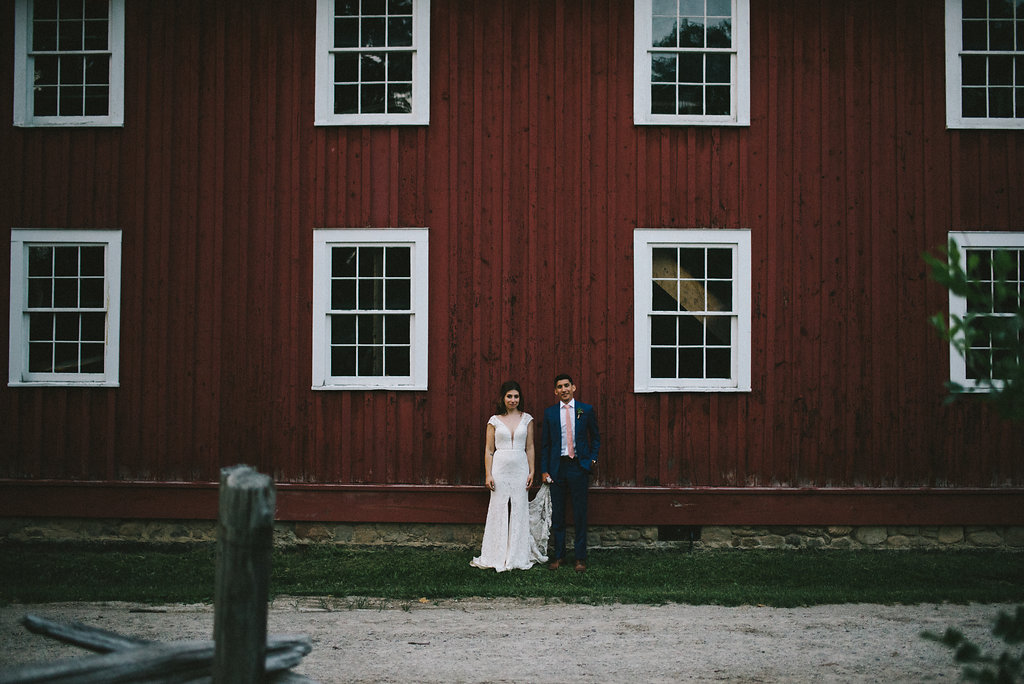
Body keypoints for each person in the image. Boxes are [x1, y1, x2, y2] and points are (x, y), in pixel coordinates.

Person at [471, 381, 549, 571]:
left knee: (519, 508)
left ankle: (517, 555)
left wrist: (532, 471)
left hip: (520, 467)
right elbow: (489, 450)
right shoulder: (494, 421)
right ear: (503, 398)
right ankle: (495, 554)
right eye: (509, 396)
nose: (513, 400)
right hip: (500, 468)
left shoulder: (527, 419)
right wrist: (488, 474)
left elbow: (530, 446)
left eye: (516, 397)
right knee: (498, 508)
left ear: (519, 398)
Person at [540, 373, 600, 572]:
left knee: (580, 513)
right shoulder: (550, 413)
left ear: (574, 387)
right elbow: (545, 445)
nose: (564, 389)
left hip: (578, 467)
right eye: (559, 386)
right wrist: (544, 470)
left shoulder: (585, 410)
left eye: (567, 385)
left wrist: (591, 459)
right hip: (557, 468)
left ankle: (580, 557)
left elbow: (596, 438)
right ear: (555, 391)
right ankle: (559, 556)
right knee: (558, 514)